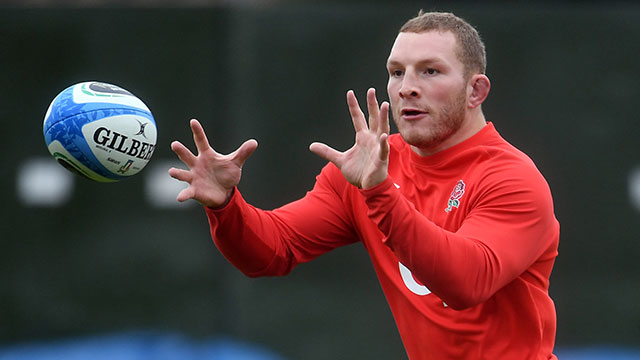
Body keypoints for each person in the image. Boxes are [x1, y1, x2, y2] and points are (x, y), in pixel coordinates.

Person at [169, 11, 559, 360]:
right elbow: (271, 251)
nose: (407, 86)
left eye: (430, 71)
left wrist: (379, 194)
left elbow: (466, 283)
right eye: (396, 71)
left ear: (476, 91)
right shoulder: (368, 169)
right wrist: (225, 205)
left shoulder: (511, 177)